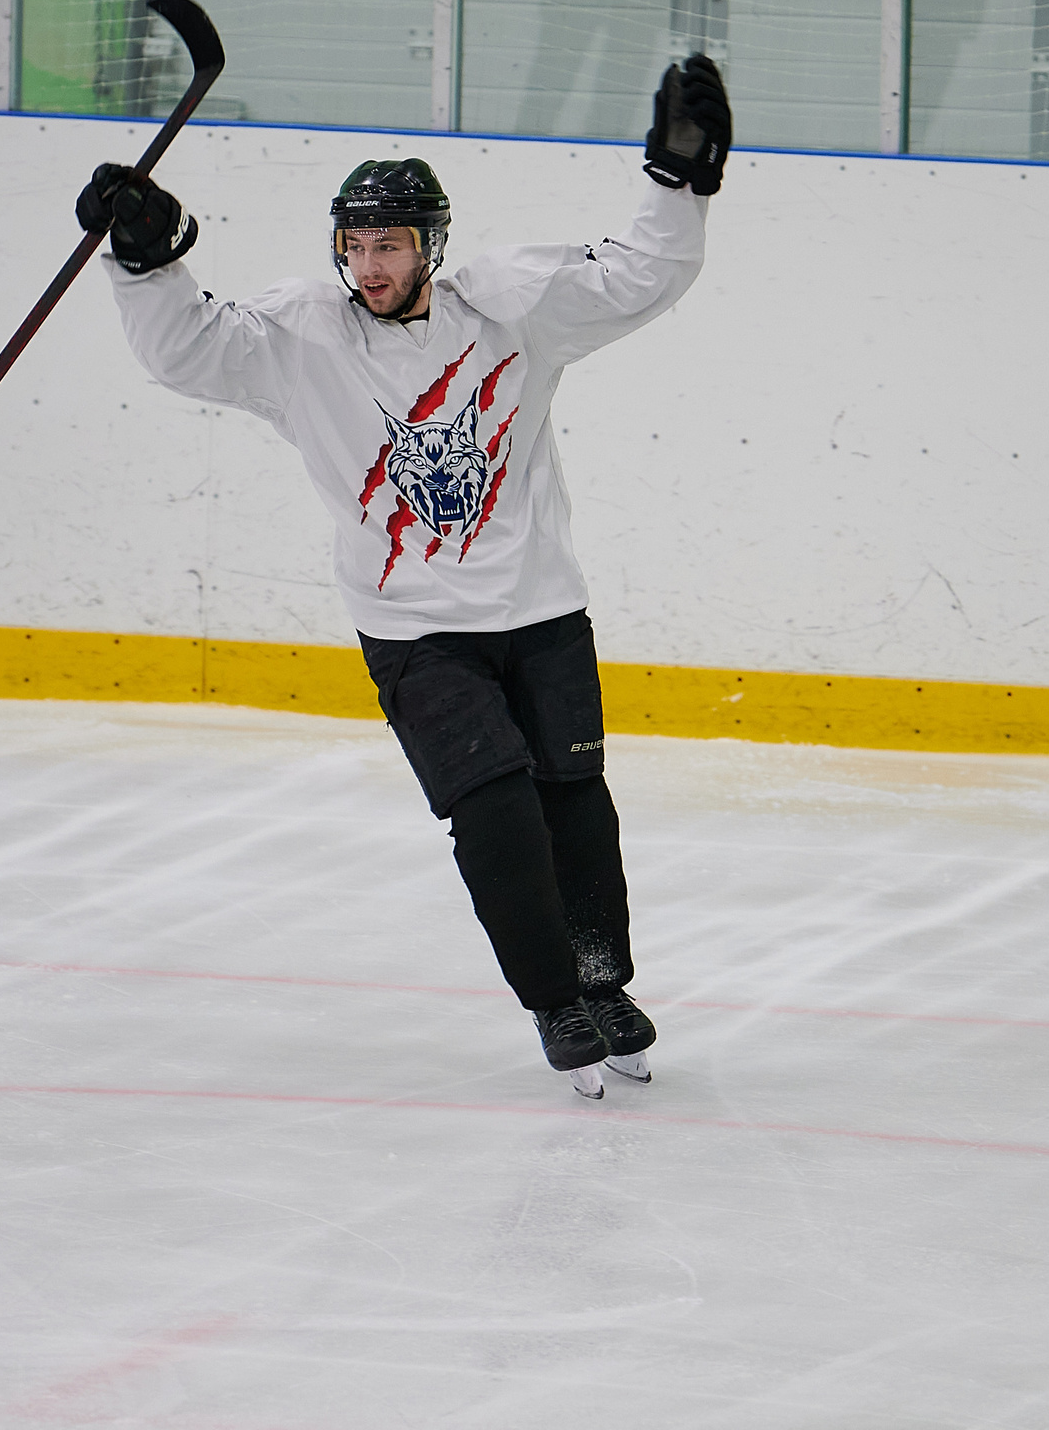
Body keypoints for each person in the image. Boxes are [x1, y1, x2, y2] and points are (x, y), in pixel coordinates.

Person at [77, 56, 731, 1098]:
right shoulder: (304, 337)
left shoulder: (511, 308)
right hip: (416, 630)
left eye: (389, 243)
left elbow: (639, 279)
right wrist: (146, 265)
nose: (370, 264)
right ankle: (556, 1001)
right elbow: (188, 354)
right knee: (497, 812)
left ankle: (604, 980)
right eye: (354, 245)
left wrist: (676, 182)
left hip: (544, 613)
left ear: (432, 245)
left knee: (576, 806)